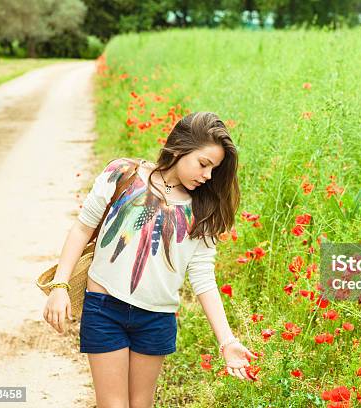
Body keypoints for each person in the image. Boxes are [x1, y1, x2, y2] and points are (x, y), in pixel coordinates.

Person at [43, 112, 257, 408]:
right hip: (104, 309)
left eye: (214, 170)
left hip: (155, 318)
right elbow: (82, 227)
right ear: (181, 147)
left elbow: (204, 279)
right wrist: (59, 285)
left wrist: (228, 341)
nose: (207, 176)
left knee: (140, 404)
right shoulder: (122, 174)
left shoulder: (203, 210)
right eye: (204, 164)